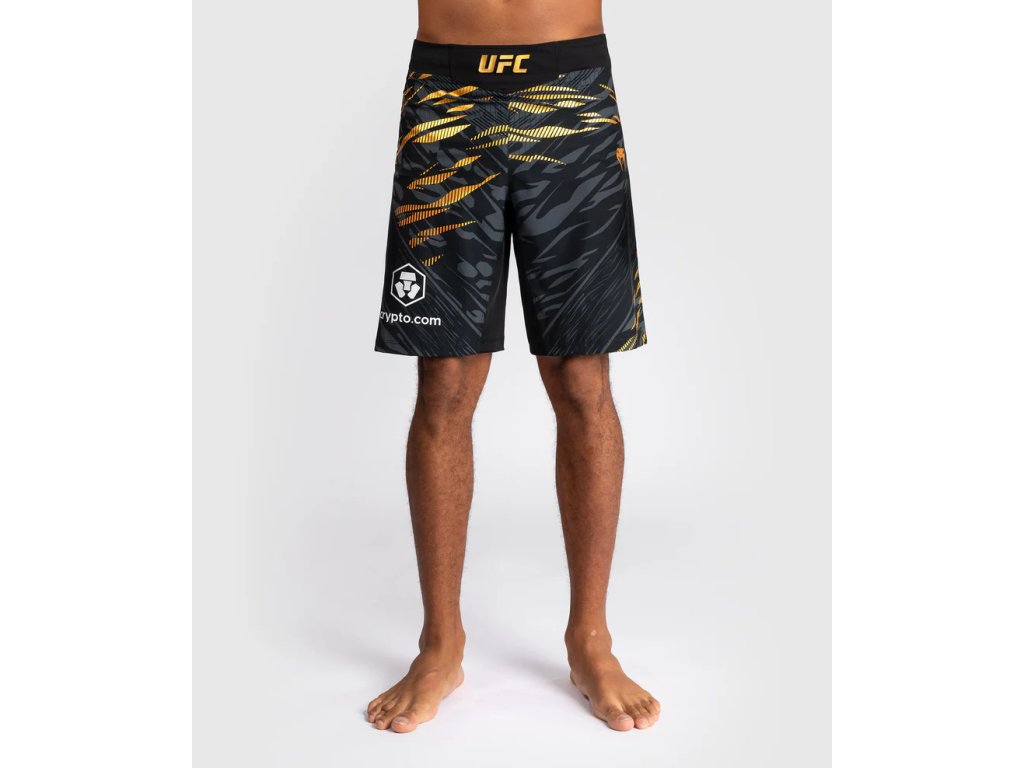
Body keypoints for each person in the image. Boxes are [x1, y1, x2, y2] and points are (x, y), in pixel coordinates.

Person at [369, 0, 656, 733]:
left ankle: (591, 640)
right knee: (445, 381)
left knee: (581, 379)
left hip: (570, 92)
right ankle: (441, 645)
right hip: (446, 98)